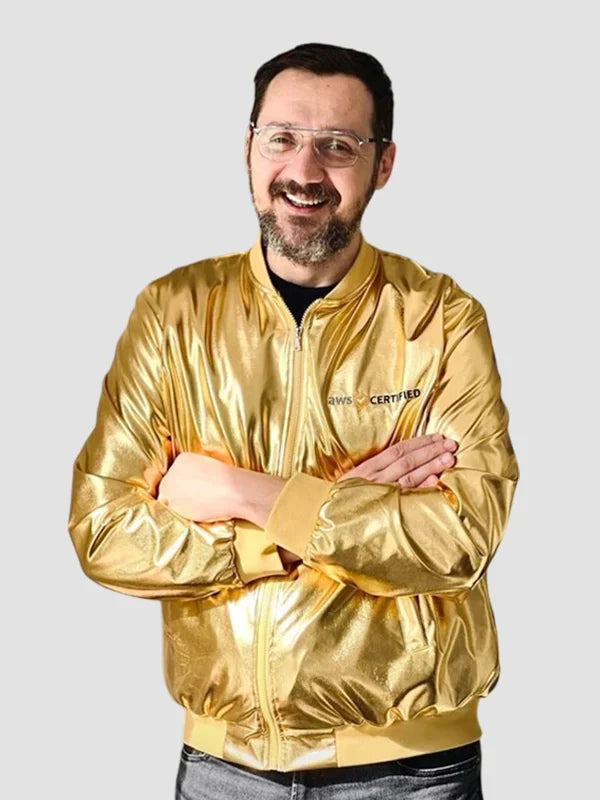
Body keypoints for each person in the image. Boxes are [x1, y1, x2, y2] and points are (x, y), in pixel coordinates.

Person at [68, 42, 519, 800]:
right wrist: (280, 537)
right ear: (248, 149)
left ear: (383, 163)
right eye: (281, 138)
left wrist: (241, 493)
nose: (304, 171)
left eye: (338, 145)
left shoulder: (439, 319)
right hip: (221, 771)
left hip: (409, 773)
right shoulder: (173, 315)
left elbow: (460, 537)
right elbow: (104, 531)